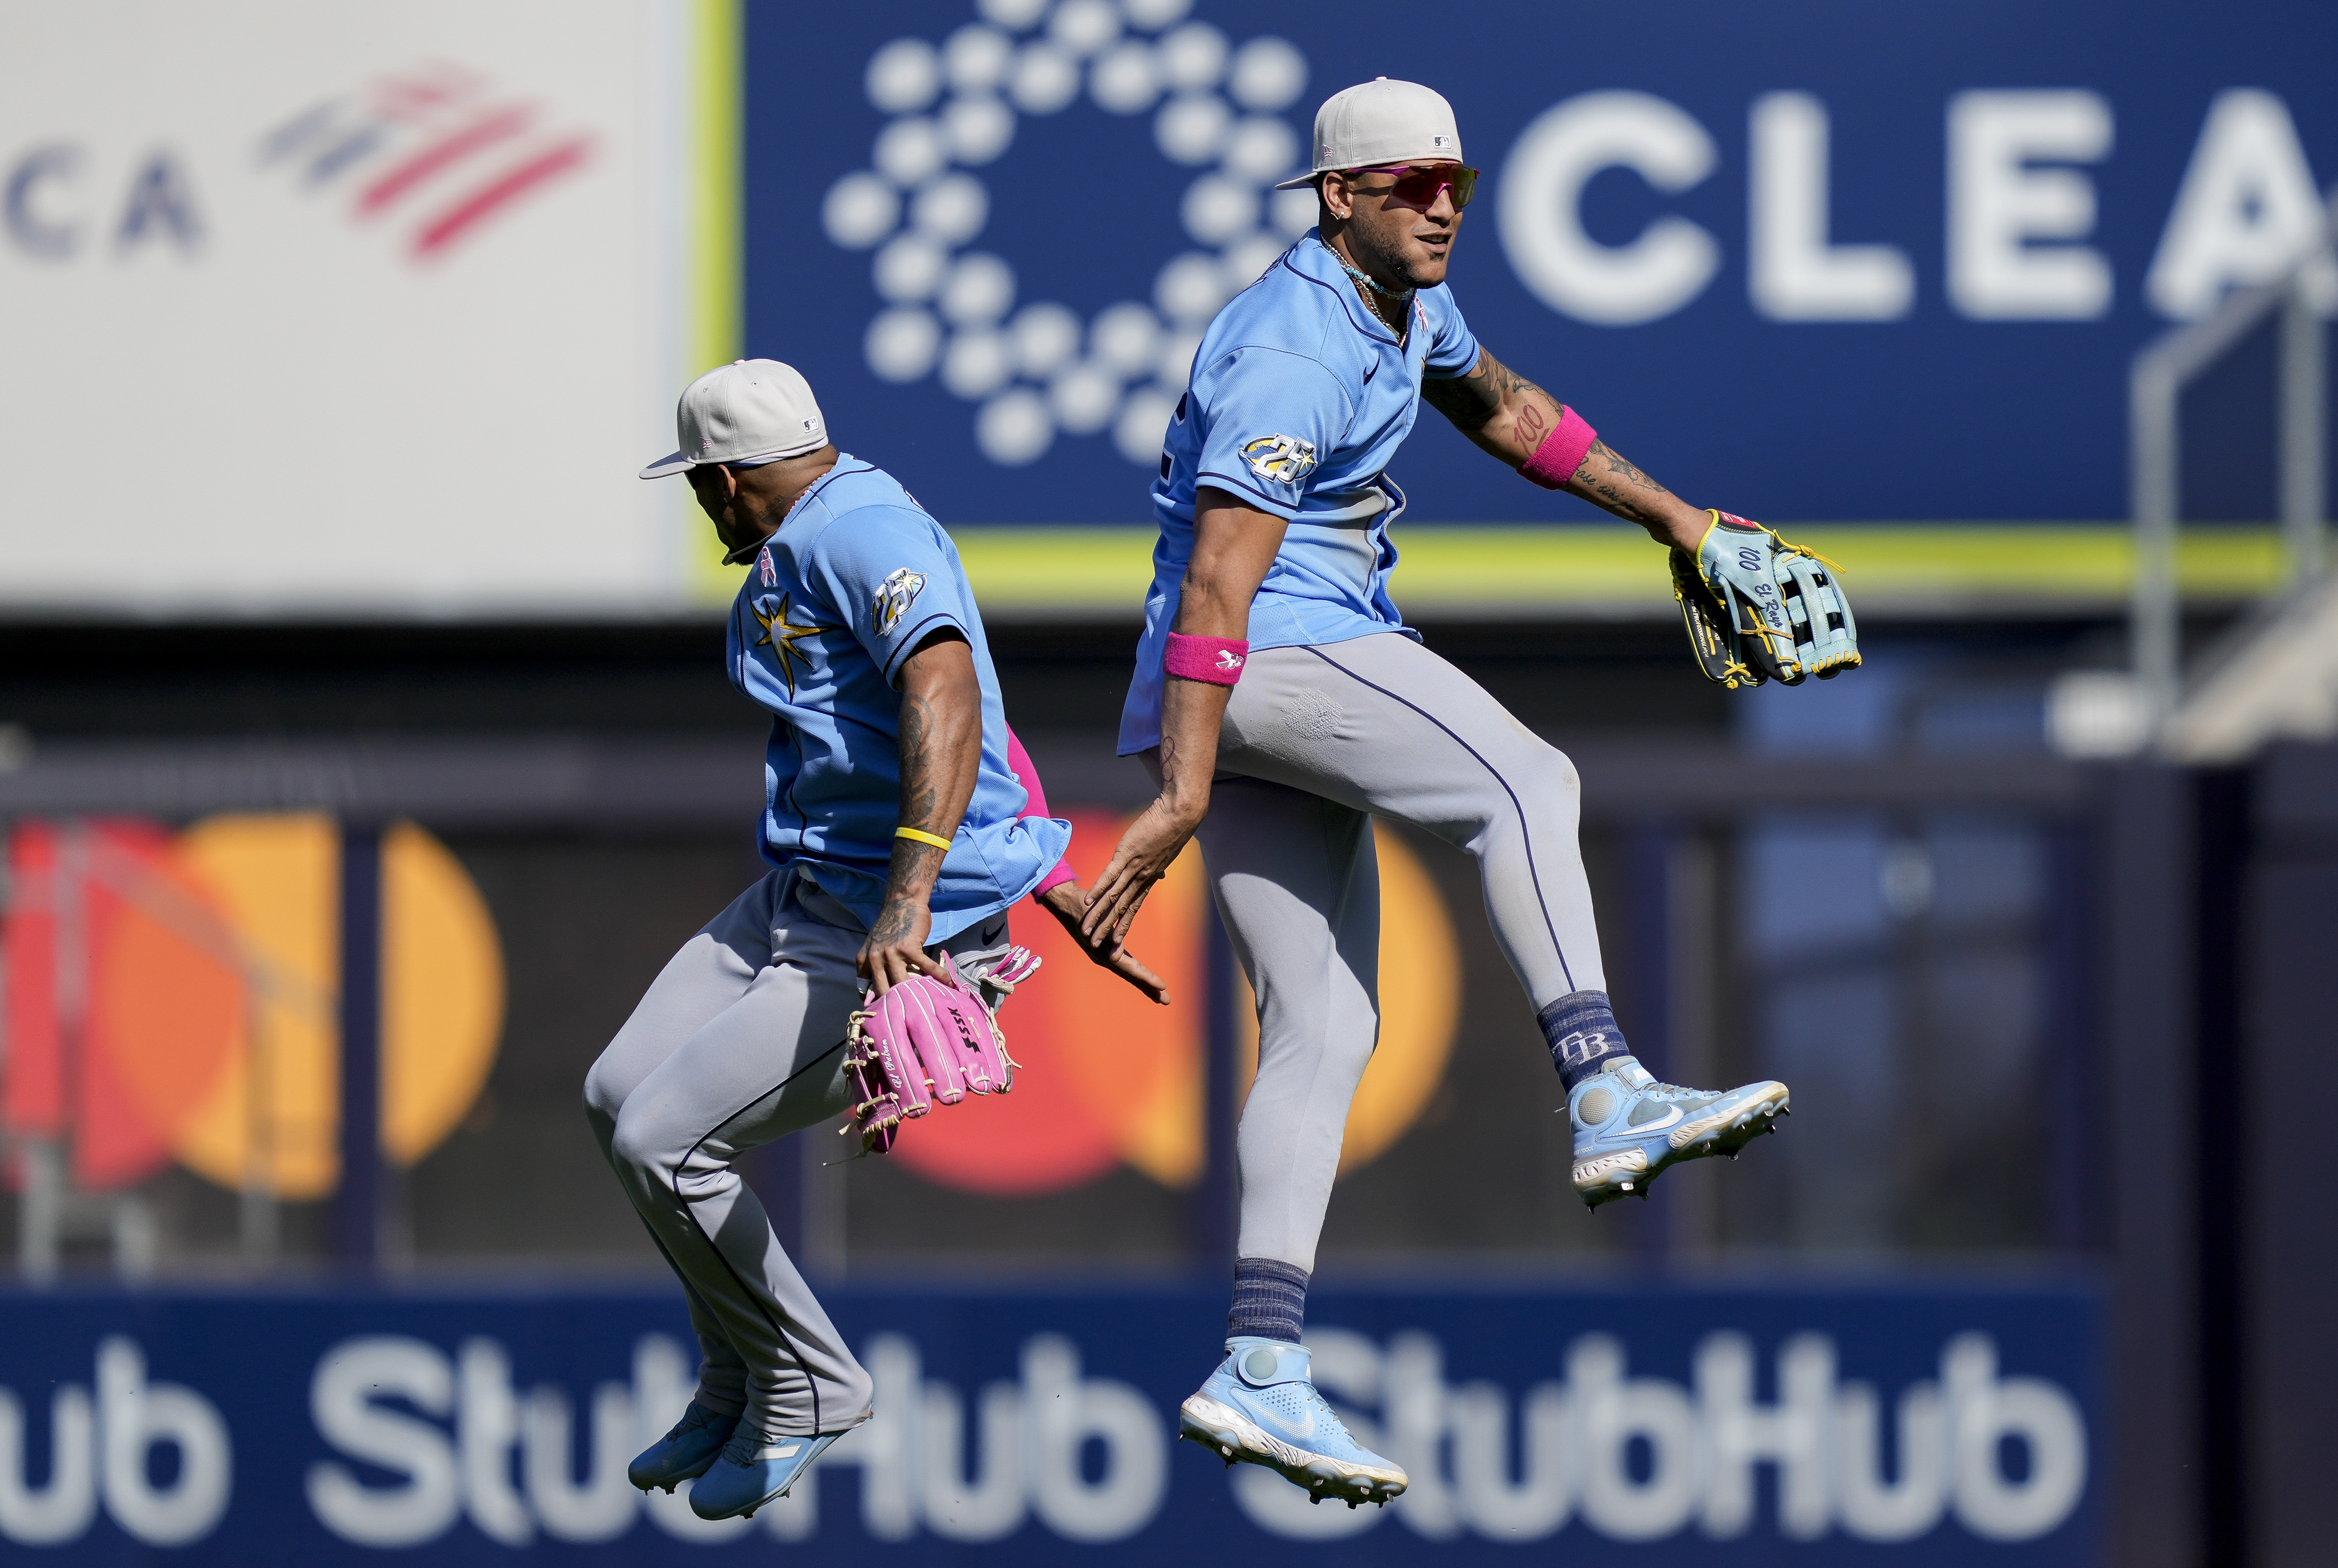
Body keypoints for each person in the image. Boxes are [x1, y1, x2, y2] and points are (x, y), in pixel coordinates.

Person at [1082, 79, 1827, 1505]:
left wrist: (1676, 519)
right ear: (1336, 198)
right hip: (1265, 653)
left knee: (1324, 1026)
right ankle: (1606, 1084)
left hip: (1247, 678)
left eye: (1457, 183)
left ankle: (1261, 1358)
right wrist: (1180, 793)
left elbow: (1501, 408)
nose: (1441, 205)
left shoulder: (1403, 305)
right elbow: (1222, 580)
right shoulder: (1294, 345)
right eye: (1411, 182)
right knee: (1527, 779)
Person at [586, 359, 1164, 1523]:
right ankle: (740, 1369)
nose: (705, 506)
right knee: (615, 1092)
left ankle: (813, 1384)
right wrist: (1040, 857)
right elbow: (986, 720)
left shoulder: (859, 528)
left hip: (892, 925)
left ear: (728, 477)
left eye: (703, 485)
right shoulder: (818, 528)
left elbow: (945, 689)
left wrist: (916, 900)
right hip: (806, 889)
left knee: (664, 1139)